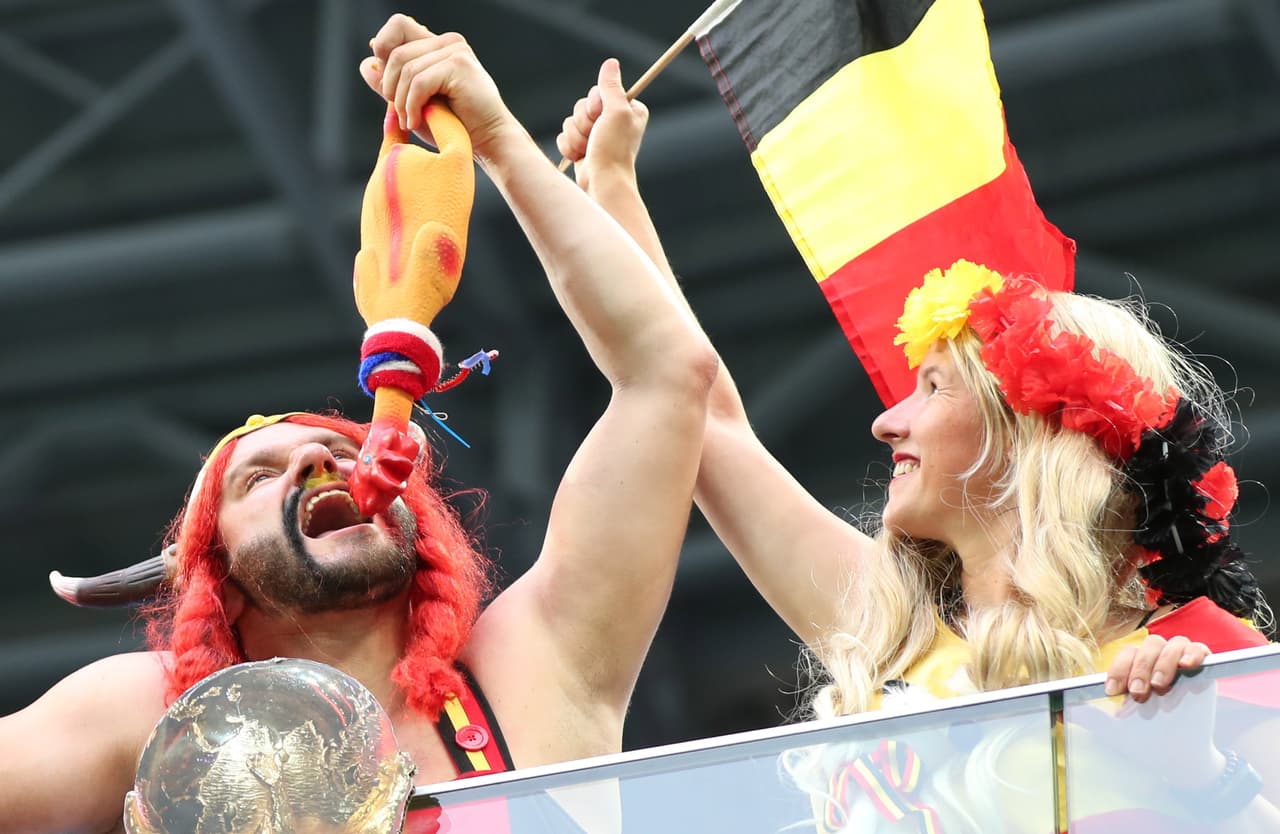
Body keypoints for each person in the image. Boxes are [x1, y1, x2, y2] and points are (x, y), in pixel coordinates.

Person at [0, 17, 717, 834]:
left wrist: (501, 145)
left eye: (344, 448)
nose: (315, 454)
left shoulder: (533, 668)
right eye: (259, 477)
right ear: (218, 574)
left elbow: (667, 377)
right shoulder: (158, 713)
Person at [556, 58, 1279, 830]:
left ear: (1029, 434)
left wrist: (1201, 776)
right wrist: (612, 192)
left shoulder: (1194, 651)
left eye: (933, 388)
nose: (886, 423)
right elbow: (697, 412)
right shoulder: (891, 633)